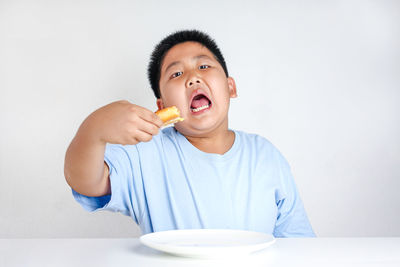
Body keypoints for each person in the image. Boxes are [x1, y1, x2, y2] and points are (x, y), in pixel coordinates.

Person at [64, 30, 316, 237]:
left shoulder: (265, 155)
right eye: (177, 73)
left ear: (230, 87)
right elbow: (86, 181)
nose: (193, 78)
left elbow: (297, 241)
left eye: (204, 66)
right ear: (162, 106)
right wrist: (94, 129)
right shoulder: (145, 152)